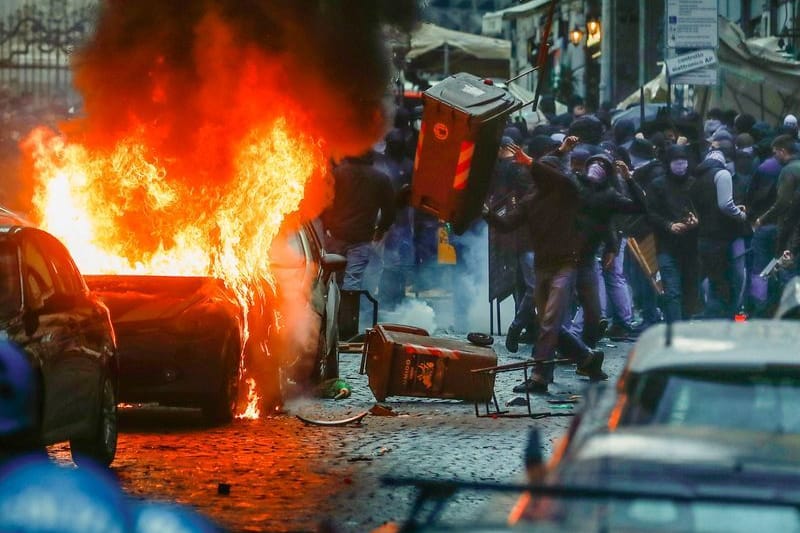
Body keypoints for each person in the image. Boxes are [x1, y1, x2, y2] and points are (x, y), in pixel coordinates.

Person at [483, 136, 606, 394]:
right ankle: (586, 358)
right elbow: (508, 224)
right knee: (548, 323)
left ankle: (540, 377)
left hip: (565, 265)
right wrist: (487, 214)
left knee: (549, 321)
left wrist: (532, 162)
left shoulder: (567, 194)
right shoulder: (532, 199)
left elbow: (561, 180)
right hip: (543, 266)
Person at [321, 151, 396, 291]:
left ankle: (331, 309)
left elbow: (324, 203)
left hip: (335, 235)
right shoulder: (380, 179)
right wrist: (380, 230)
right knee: (353, 280)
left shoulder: (337, 174)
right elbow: (390, 210)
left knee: (331, 277)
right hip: (361, 239)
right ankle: (349, 311)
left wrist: (326, 226)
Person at [690, 149, 747, 318]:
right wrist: (741, 215)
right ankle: (724, 317)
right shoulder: (722, 174)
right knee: (728, 279)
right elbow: (725, 204)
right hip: (723, 236)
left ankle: (712, 315)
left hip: (703, 236)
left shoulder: (697, 178)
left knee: (714, 279)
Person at [647, 145, 700, 322]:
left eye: (683, 162)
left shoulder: (694, 184)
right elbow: (651, 213)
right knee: (672, 290)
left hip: (691, 247)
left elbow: (703, 210)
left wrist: (696, 221)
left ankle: (683, 325)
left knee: (689, 289)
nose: (681, 166)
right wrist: (669, 225)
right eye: (676, 162)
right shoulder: (658, 185)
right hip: (666, 246)